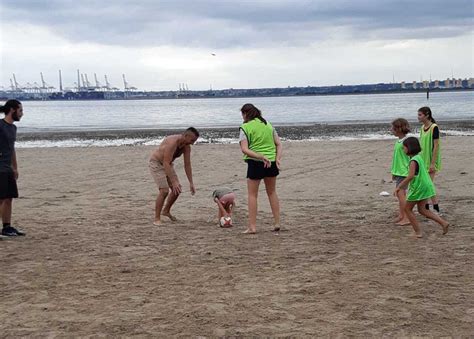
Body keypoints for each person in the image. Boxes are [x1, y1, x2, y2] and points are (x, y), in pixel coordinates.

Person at [239, 103, 282, 234]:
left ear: (246, 114)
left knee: (252, 195)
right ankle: (277, 222)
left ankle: (252, 226)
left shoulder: (245, 127)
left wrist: (260, 156)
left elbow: (244, 149)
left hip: (256, 162)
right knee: (272, 192)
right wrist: (277, 158)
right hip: (272, 162)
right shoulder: (268, 125)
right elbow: (279, 144)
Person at [395, 137, 449, 238]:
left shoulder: (413, 161)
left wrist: (399, 187)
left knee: (407, 209)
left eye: (404, 148)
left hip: (419, 188)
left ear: (409, 148)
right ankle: (443, 223)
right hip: (426, 186)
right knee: (423, 210)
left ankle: (418, 232)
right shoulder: (419, 157)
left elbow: (410, 176)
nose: (403, 150)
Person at [149, 127, 199, 225]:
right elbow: (165, 162)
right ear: (185, 136)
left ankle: (166, 211)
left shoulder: (186, 147)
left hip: (168, 164)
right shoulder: (172, 143)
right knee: (164, 191)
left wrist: (191, 183)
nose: (192, 143)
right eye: (192, 140)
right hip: (157, 163)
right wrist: (174, 181)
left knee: (177, 190)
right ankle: (157, 218)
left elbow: (187, 164)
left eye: (194, 141)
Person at [0, 99, 26, 237]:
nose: (22, 114)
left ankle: (7, 227)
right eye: (20, 110)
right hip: (0, 168)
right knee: (2, 198)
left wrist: (15, 167)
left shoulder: (13, 128)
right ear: (12, 110)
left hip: (8, 168)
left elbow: (12, 149)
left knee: (9, 198)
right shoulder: (0, 125)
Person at [417, 106, 441, 213]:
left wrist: (433, 163)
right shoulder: (422, 128)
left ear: (427, 115)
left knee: (429, 184)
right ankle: (427, 206)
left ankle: (434, 207)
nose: (418, 117)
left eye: (420, 115)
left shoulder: (434, 127)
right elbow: (421, 143)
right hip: (423, 159)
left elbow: (436, 146)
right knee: (425, 184)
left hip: (431, 160)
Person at [390, 118, 411, 226]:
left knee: (400, 193)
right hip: (399, 171)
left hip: (404, 171)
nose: (391, 130)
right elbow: (396, 159)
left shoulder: (406, 141)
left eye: (393, 128)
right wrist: (394, 172)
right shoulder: (398, 141)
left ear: (399, 129)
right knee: (400, 195)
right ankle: (402, 215)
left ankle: (407, 217)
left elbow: (411, 157)